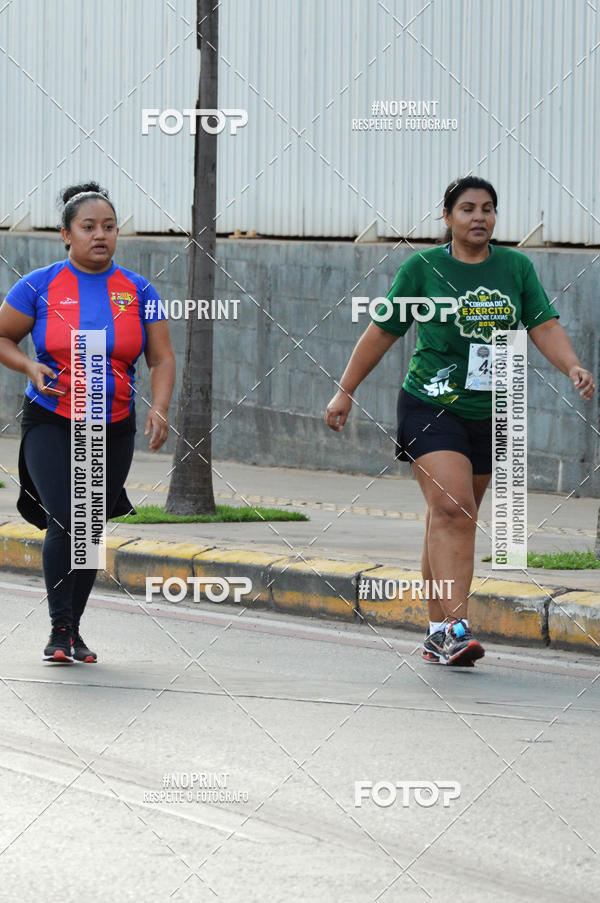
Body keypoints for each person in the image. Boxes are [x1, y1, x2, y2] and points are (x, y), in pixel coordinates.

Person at [325, 175, 595, 666]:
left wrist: (571, 364)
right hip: (431, 405)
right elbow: (382, 330)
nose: (479, 217)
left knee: (450, 517)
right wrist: (346, 390)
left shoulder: (515, 267)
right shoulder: (423, 268)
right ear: (447, 217)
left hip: (492, 411)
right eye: (468, 209)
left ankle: (434, 631)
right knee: (454, 509)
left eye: (488, 209)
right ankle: (453, 629)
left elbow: (544, 325)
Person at [0, 182, 176, 663]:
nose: (101, 235)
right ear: (66, 234)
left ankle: (74, 629)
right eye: (89, 227)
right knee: (66, 516)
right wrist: (29, 367)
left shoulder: (139, 290)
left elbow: (161, 358)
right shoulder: (38, 285)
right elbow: (3, 338)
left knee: (90, 528)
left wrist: (160, 408)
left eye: (109, 227)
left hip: (112, 423)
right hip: (52, 419)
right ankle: (59, 630)